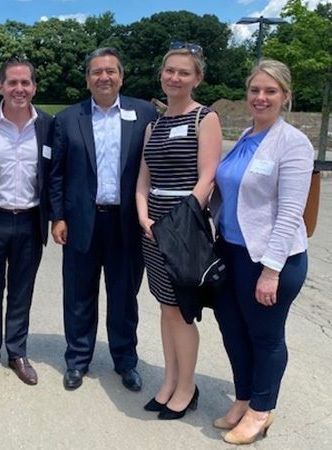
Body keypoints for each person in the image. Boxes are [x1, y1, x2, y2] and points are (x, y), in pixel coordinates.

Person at [211, 59, 314, 444]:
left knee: (266, 336)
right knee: (234, 329)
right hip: (232, 252)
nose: (261, 97)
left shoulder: (293, 143)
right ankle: (243, 398)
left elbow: (290, 213)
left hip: (271, 259)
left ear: (285, 97)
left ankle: (261, 410)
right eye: (255, 90)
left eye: (270, 91)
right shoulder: (246, 138)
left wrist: (271, 271)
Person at [49, 47, 157, 391]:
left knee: (124, 296)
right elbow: (56, 174)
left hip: (126, 223)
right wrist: (57, 217)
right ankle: (77, 359)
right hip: (82, 221)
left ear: (121, 76)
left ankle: (125, 360)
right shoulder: (67, 119)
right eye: (97, 72)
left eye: (111, 71)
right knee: (79, 295)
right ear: (87, 79)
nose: (104, 77)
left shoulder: (145, 114)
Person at [136, 44, 222, 419]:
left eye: (184, 73)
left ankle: (187, 387)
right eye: (170, 71)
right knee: (165, 306)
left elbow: (207, 178)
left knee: (181, 311)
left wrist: (179, 222)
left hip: (182, 226)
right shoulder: (154, 125)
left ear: (197, 78)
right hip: (152, 226)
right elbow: (143, 179)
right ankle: (170, 380)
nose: (175, 78)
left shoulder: (205, 118)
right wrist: (144, 218)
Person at [0, 58, 54, 385]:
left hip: (30, 221)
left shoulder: (47, 124)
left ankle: (17, 351)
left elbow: (54, 175)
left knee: (21, 291)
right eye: (12, 83)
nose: (19, 89)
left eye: (25, 83)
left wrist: (56, 217)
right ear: (0, 86)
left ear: (34, 87)